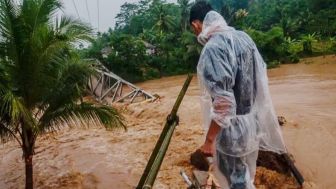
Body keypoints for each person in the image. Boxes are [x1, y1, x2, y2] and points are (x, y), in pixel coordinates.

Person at [189, 1, 287, 189]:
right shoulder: (243, 38)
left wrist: (209, 140)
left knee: (236, 180)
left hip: (231, 129)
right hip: (251, 122)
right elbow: (260, 82)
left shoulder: (213, 48)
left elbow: (224, 102)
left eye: (194, 29)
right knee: (244, 176)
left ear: (196, 24)